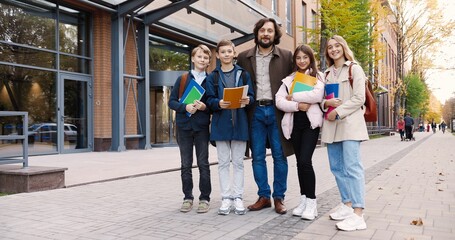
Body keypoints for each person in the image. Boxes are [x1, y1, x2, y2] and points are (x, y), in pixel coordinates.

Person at [236, 18, 294, 214]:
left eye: (270, 30)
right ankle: (263, 196)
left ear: (275, 35)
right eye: (262, 30)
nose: (266, 34)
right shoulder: (244, 57)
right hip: (255, 112)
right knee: (257, 156)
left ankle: (279, 197)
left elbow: (297, 82)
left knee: (280, 155)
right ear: (257, 33)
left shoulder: (286, 56)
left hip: (277, 112)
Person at [320, 35, 368, 231]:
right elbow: (322, 99)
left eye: (337, 45)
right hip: (332, 128)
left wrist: (338, 112)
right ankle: (346, 204)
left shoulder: (354, 68)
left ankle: (358, 213)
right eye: (330, 47)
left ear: (343, 47)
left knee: (353, 168)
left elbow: (359, 98)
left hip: (349, 125)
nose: (333, 49)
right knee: (337, 168)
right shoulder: (327, 73)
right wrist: (326, 105)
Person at [205, 39, 255, 215]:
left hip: (240, 125)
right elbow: (208, 99)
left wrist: (248, 100)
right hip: (221, 126)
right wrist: (218, 103)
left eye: (229, 51)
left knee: (239, 163)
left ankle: (238, 197)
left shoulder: (243, 74)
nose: (226, 54)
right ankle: (226, 198)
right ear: (218, 55)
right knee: (223, 163)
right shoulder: (213, 76)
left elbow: (251, 96)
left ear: (234, 53)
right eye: (223, 52)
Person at [275, 45, 324, 220]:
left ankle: (312, 202)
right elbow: (279, 100)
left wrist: (294, 96)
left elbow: (317, 96)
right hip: (294, 125)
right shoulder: (289, 79)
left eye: (305, 57)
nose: (302, 61)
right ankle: (303, 199)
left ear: (310, 58)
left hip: (310, 125)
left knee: (305, 161)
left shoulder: (318, 77)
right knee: (299, 163)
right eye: (298, 58)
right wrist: (297, 105)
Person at [168, 44, 212, 213]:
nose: (202, 60)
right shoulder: (183, 79)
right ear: (193, 58)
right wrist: (184, 107)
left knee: (203, 163)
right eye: (199, 56)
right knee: (186, 164)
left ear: (208, 61)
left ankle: (205, 198)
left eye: (206, 57)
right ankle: (187, 197)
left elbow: (213, 105)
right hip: (184, 127)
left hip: (201, 128)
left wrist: (204, 107)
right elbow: (171, 102)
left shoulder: (210, 80)